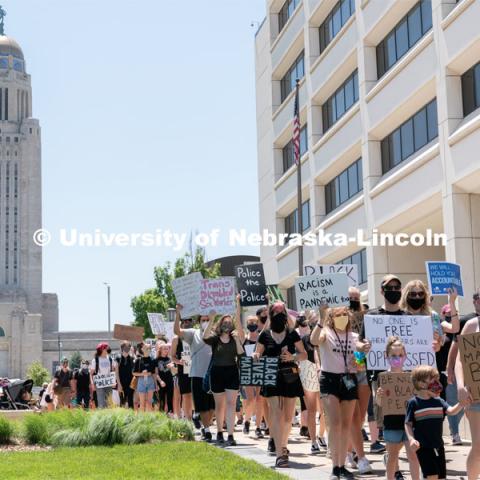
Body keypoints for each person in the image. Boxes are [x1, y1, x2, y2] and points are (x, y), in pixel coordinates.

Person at [254, 301, 307, 468]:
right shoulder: (265, 335)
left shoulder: (292, 334)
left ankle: (283, 445)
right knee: (275, 412)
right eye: (275, 313)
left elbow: (304, 354)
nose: (279, 316)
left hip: (290, 375)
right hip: (270, 374)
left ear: (286, 315)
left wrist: (293, 357)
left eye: (281, 313)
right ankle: (279, 452)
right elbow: (257, 351)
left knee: (287, 416)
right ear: (271, 315)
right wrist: (256, 356)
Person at [311, 306, 360, 480]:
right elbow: (315, 340)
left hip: (348, 380)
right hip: (329, 379)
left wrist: (362, 354)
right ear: (332, 318)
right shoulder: (326, 332)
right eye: (338, 315)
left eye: (345, 315)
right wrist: (320, 319)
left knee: (346, 425)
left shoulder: (353, 337)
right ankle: (334, 466)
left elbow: (360, 360)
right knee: (335, 423)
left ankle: (341, 465)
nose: (342, 318)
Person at [406, 365, 462, 480]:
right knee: (432, 476)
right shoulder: (413, 403)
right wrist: (411, 439)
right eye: (433, 380)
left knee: (440, 477)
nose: (437, 383)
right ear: (421, 384)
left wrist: (462, 403)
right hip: (423, 447)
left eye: (437, 380)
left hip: (439, 445)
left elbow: (451, 411)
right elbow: (408, 423)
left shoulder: (439, 401)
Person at [203, 296, 245, 447]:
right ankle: (219, 431)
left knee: (231, 404)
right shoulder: (215, 339)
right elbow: (205, 337)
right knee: (219, 404)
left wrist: (238, 305)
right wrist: (212, 319)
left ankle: (231, 434)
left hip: (232, 372)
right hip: (217, 372)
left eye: (229, 322)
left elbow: (241, 354)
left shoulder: (235, 338)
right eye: (224, 322)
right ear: (221, 324)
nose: (227, 323)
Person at [376, 337, 420, 480]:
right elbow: (380, 404)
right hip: (391, 423)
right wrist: (379, 396)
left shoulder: (411, 377)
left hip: (410, 423)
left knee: (413, 456)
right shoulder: (383, 377)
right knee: (392, 458)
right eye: (393, 355)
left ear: (405, 356)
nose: (397, 358)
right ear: (386, 356)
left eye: (400, 355)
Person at [174, 310, 214, 441]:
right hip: (197, 374)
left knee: (212, 406)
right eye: (203, 320)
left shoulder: (215, 334)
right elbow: (177, 331)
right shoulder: (193, 333)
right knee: (202, 405)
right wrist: (178, 314)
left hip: (212, 374)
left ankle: (204, 424)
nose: (205, 322)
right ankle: (207, 429)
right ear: (198, 322)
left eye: (208, 319)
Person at [455, 303, 480, 480]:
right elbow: (460, 360)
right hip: (476, 395)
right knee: (478, 447)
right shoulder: (471, 325)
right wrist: (460, 386)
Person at [242, 314, 264, 439]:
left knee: (260, 399)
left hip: (259, 369)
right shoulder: (244, 338)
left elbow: (266, 326)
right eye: (250, 322)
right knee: (251, 399)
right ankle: (247, 420)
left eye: (254, 322)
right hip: (248, 370)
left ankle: (258, 427)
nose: (252, 325)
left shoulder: (261, 337)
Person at [171, 318, 194, 420]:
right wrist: (179, 362)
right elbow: (172, 356)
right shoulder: (176, 339)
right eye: (184, 321)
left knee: (196, 394)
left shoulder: (197, 336)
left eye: (189, 320)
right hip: (184, 369)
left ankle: (196, 417)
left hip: (197, 368)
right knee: (186, 395)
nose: (186, 323)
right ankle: (189, 419)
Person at [132, 342, 157, 411]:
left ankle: (149, 418)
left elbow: (154, 373)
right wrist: (142, 374)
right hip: (141, 381)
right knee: (142, 403)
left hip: (150, 381)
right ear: (142, 349)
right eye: (146, 348)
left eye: (149, 348)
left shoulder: (152, 360)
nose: (148, 350)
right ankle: (143, 419)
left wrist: (156, 384)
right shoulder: (138, 360)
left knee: (149, 402)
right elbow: (134, 373)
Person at [90, 343, 116, 409]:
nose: (108, 349)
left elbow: (113, 371)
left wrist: (114, 382)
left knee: (109, 403)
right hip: (99, 384)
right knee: (101, 403)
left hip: (109, 384)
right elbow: (91, 373)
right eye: (106, 348)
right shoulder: (95, 360)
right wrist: (92, 384)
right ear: (102, 349)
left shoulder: (110, 359)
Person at [156, 341, 174, 415]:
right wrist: (160, 381)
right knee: (161, 399)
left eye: (167, 349)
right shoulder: (156, 360)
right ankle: (162, 416)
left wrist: (172, 367)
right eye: (164, 349)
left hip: (170, 381)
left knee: (170, 399)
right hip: (161, 382)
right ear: (160, 350)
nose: (166, 350)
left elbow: (174, 372)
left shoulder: (170, 359)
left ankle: (170, 414)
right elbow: (156, 373)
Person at [115, 341, 134, 409]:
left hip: (130, 383)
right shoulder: (118, 358)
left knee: (130, 401)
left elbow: (133, 372)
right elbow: (116, 372)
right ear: (122, 348)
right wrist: (119, 384)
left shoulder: (132, 358)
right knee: (122, 401)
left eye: (129, 346)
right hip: (121, 382)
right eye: (126, 347)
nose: (128, 348)